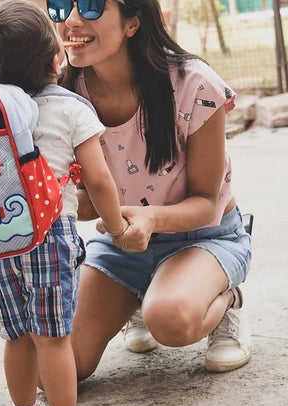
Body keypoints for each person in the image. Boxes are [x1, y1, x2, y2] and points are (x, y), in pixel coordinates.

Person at [46, 0, 252, 378]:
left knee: (170, 319)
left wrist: (150, 218)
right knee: (58, 369)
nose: (71, 20)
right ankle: (137, 296)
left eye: (90, 6)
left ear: (132, 22)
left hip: (203, 237)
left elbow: (207, 203)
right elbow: (88, 204)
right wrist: (43, 204)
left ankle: (227, 300)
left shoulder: (194, 84)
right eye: (59, 5)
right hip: (122, 241)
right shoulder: (62, 95)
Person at [0, 1, 128, 406]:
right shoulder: (71, 108)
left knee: (17, 335)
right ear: (56, 57)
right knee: (54, 338)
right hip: (47, 233)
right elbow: (97, 179)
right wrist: (115, 226)